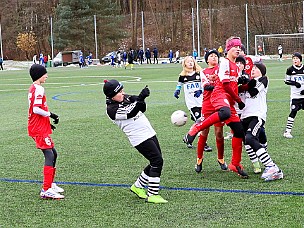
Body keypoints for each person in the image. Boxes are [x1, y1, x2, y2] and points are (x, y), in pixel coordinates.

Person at [183, 36, 248, 178]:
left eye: (239, 47)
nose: (238, 49)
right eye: (235, 46)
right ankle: (196, 130)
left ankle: (234, 163)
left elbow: (232, 84)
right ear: (228, 49)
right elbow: (224, 85)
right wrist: (238, 99)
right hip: (218, 95)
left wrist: (243, 82)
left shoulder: (236, 67)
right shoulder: (224, 62)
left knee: (239, 131)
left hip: (228, 101)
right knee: (222, 114)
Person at [103, 80, 167, 203]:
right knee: (157, 160)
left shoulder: (125, 98)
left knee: (155, 160)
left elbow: (141, 107)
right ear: (111, 95)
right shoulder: (112, 109)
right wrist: (140, 98)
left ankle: (137, 186)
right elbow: (130, 112)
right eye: (119, 92)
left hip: (149, 131)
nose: (123, 93)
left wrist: (142, 98)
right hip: (139, 137)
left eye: (122, 90)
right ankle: (153, 194)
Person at [240, 61, 283, 181]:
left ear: (261, 71)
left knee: (250, 138)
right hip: (244, 116)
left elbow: (253, 92)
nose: (252, 70)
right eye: (252, 68)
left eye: (255, 68)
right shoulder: (247, 81)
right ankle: (258, 164)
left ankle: (271, 166)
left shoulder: (263, 79)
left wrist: (246, 84)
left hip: (256, 115)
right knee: (247, 141)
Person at [27, 64, 64, 199]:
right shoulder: (39, 89)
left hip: (39, 125)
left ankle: (50, 184)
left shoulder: (33, 88)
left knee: (53, 153)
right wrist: (51, 114)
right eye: (45, 74)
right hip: (37, 128)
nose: (47, 76)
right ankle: (46, 189)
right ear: (39, 75)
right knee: (49, 155)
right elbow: (36, 109)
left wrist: (47, 122)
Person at [194, 50, 226, 173]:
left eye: (216, 56)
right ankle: (199, 159)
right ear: (207, 60)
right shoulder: (203, 72)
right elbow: (206, 86)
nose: (214, 58)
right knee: (204, 133)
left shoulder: (222, 69)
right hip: (207, 104)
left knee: (219, 133)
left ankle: (221, 158)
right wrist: (219, 85)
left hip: (219, 103)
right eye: (211, 56)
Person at [173, 55, 212, 152]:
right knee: (200, 121)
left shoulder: (199, 74)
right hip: (192, 104)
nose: (190, 63)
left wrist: (200, 90)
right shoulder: (182, 77)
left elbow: (204, 84)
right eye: (188, 62)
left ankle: (188, 137)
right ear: (184, 64)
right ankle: (203, 144)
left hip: (202, 102)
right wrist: (177, 91)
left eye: (192, 61)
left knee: (200, 122)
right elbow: (179, 85)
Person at [283, 52, 304, 138]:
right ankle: (287, 132)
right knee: (293, 112)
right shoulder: (290, 69)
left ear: (300, 60)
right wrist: (295, 83)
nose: (295, 60)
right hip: (295, 96)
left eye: (296, 58)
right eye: (294, 58)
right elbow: (286, 81)